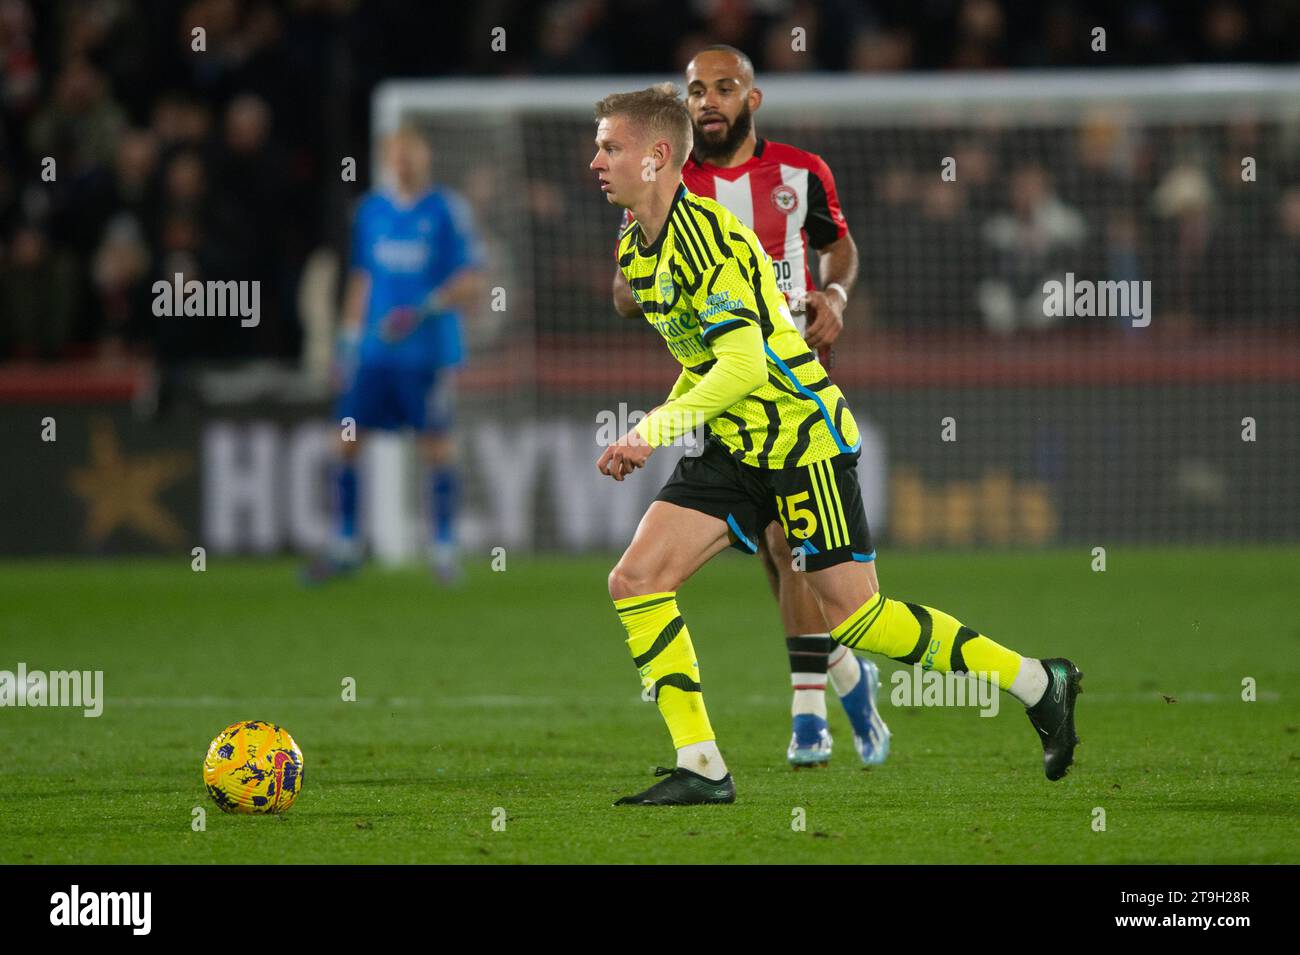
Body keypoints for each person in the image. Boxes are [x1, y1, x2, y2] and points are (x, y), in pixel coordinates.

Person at [591, 85, 1082, 805]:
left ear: (657, 155)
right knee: (635, 580)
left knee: (861, 619)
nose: (596, 160)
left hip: (802, 440)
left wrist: (651, 430)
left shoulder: (711, 241)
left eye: (610, 146)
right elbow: (707, 360)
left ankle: (1040, 681)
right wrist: (672, 418)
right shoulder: (637, 248)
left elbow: (745, 365)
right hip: (735, 444)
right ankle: (701, 762)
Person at [611, 46, 885, 769]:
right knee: (777, 557)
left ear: (752, 99)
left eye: (723, 88)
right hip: (724, 392)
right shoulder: (673, 181)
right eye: (696, 89)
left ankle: (808, 715)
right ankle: (847, 671)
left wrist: (835, 294)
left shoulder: (801, 172)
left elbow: (840, 249)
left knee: (788, 548)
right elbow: (625, 288)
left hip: (791, 386)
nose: (708, 101)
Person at [306, 126, 482, 584]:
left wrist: (424, 308)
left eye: (411, 154)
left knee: (437, 447)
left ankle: (443, 550)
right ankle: (345, 544)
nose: (403, 162)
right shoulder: (371, 211)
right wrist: (347, 341)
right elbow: (362, 279)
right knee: (344, 443)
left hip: (425, 356)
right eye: (395, 155)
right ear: (386, 159)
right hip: (373, 354)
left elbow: (471, 280)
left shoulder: (446, 210)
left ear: (425, 157)